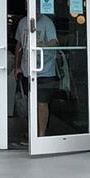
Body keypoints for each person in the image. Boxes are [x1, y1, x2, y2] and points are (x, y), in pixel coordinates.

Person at [14, 10, 60, 139]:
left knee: (42, 103)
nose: (36, 11)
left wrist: (43, 44)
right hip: (27, 69)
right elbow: (19, 45)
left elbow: (54, 42)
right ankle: (32, 133)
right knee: (29, 103)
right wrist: (17, 67)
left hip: (45, 69)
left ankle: (41, 135)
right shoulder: (23, 22)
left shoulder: (47, 22)